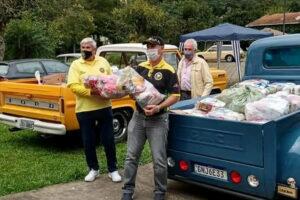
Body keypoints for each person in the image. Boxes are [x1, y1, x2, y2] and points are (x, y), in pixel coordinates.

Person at [121, 36, 180, 200]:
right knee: (131, 156)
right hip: (138, 118)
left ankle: (160, 191)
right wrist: (132, 94)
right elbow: (134, 90)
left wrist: (159, 107)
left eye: (153, 45)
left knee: (159, 160)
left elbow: (175, 95)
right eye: (148, 46)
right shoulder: (140, 67)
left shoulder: (169, 70)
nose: (150, 49)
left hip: (158, 120)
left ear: (161, 48)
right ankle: (127, 190)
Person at [67, 37, 121, 183]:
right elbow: (72, 85)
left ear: (94, 49)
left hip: (104, 107)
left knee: (108, 139)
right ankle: (93, 169)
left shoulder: (103, 62)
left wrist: (111, 89)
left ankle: (113, 169)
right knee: (88, 141)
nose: (84, 50)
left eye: (88, 47)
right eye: (82, 47)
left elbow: (111, 81)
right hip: (84, 109)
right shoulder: (76, 65)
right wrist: (91, 92)